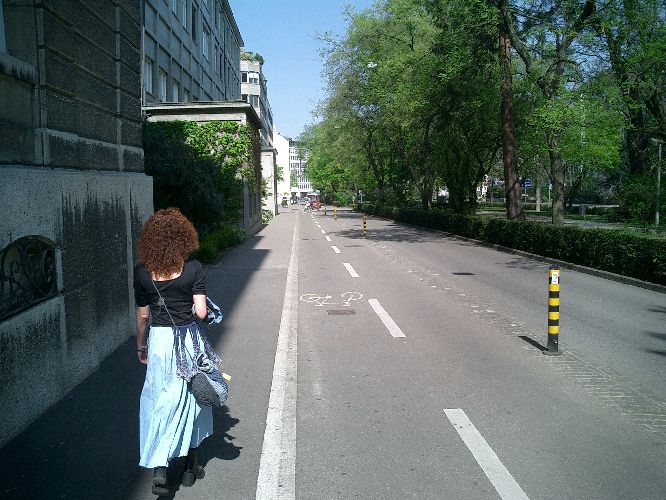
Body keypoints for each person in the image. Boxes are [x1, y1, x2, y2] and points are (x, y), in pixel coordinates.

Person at [133, 207, 220, 496]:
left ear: (151, 240)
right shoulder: (193, 268)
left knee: (160, 399)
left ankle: (160, 469)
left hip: (160, 342)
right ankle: (190, 468)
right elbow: (201, 312)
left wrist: (141, 345)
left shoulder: (142, 272)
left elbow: (143, 315)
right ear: (184, 237)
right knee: (194, 398)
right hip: (189, 341)